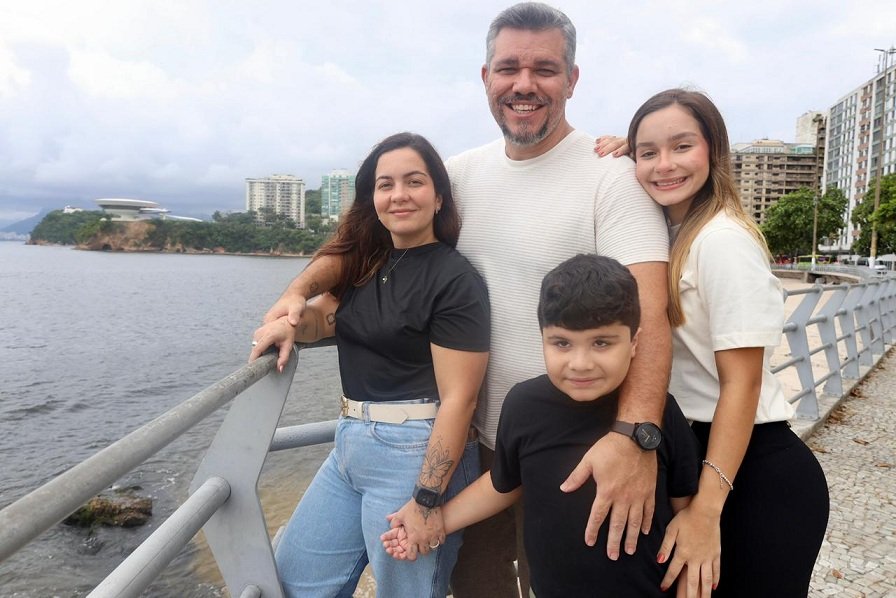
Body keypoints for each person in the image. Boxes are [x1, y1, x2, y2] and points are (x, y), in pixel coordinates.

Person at [261, 4, 671, 595]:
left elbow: (650, 317)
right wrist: (294, 297)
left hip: (573, 450)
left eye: (545, 69)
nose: (524, 85)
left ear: (573, 80)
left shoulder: (611, 178)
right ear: (485, 78)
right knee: (474, 587)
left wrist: (634, 437)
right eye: (508, 68)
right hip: (477, 453)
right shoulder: (459, 176)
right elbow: (362, 239)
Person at [249, 132, 490, 598]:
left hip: (414, 451)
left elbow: (461, 399)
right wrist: (290, 321)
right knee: (295, 579)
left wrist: (425, 499)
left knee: (408, 592)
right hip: (351, 445)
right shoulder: (368, 265)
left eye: (414, 182)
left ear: (439, 196)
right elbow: (325, 320)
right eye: (385, 185)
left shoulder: (455, 280)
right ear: (372, 198)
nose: (398, 195)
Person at [382, 254, 700, 598]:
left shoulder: (656, 415)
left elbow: (685, 510)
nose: (580, 364)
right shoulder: (523, 405)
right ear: (542, 339)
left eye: (602, 343)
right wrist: (434, 519)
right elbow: (503, 484)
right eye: (562, 343)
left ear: (635, 342)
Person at [625, 89, 829, 597]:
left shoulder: (722, 241)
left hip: (752, 477)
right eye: (647, 152)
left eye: (681, 146)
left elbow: (742, 383)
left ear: (713, 150)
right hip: (700, 458)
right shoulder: (670, 236)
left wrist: (706, 510)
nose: (664, 165)